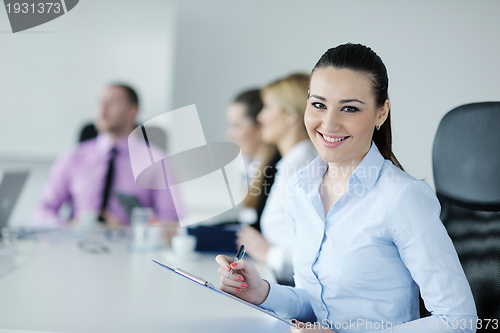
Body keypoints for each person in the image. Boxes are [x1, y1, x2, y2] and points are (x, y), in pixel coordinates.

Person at [216, 44, 477, 332]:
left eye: (349, 108)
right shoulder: (299, 188)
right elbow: (315, 303)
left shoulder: (402, 197)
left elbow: (459, 321)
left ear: (381, 113)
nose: (329, 123)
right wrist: (263, 292)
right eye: (318, 105)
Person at [34, 83, 179, 228]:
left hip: (130, 246)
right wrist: (67, 227)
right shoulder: (73, 157)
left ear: (133, 111)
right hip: (77, 243)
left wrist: (127, 230)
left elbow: (172, 222)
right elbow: (43, 209)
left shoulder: (157, 161)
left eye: (112, 102)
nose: (102, 109)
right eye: (100, 102)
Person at [236, 74, 318, 285]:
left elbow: (320, 248)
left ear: (291, 115)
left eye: (268, 107)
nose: (260, 117)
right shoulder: (290, 163)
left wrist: (270, 254)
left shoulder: (302, 168)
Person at [225, 88, 281, 231]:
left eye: (236, 126)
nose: (229, 134)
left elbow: (256, 230)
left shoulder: (276, 168)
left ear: (259, 127)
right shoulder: (250, 165)